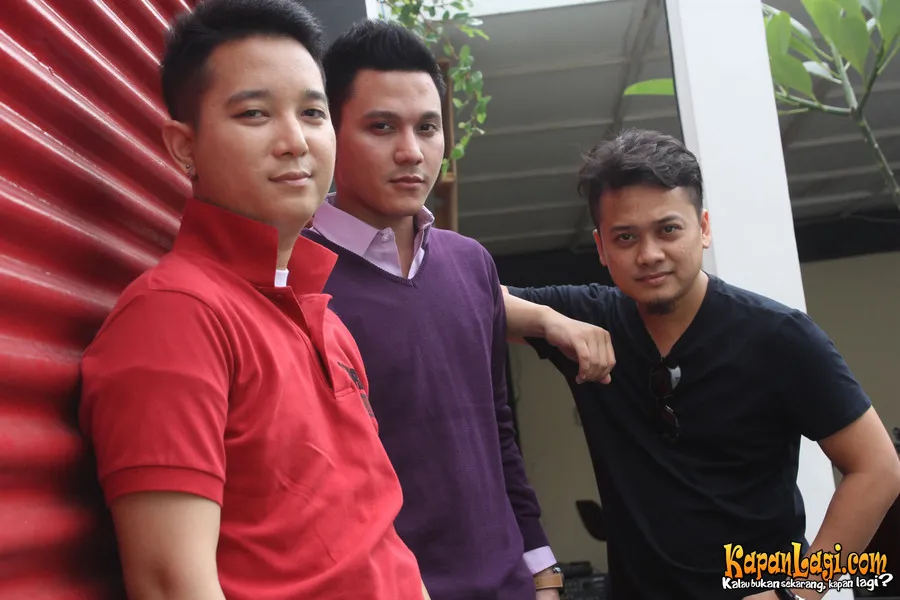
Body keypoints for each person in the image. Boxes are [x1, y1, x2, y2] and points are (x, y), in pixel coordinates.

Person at [77, 2, 428, 599]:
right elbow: (171, 585)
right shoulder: (175, 317)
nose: (295, 142)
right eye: (255, 114)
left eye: (312, 113)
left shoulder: (326, 321)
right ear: (184, 147)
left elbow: (381, 542)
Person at [502, 128, 900, 600]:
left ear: (704, 228)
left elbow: (878, 469)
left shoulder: (779, 336)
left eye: (668, 229)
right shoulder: (587, 318)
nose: (649, 254)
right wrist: (550, 322)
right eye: (625, 237)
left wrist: (798, 592)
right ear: (602, 248)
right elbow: (464, 298)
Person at [301, 18, 600, 600]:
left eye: (428, 127)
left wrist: (542, 569)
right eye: (381, 126)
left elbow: (497, 429)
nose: (411, 152)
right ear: (330, 130)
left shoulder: (470, 264)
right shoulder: (299, 279)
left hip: (510, 584)